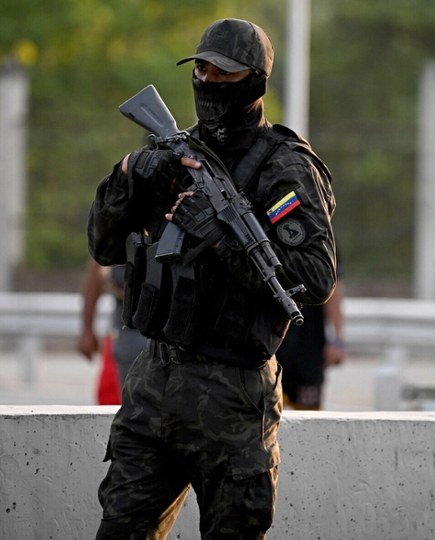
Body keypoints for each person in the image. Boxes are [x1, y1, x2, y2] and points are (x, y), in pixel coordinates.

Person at [86, 18, 336, 539]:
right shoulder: (173, 154)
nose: (209, 82)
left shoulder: (285, 168)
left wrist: (223, 239)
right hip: (155, 385)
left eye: (226, 74)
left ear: (256, 82)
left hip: (235, 397)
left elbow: (315, 279)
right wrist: (131, 174)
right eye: (202, 70)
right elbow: (104, 247)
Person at [78, 258, 148, 402]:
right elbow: (97, 266)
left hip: (180, 333)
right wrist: (87, 329)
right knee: (133, 405)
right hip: (131, 333)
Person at [276, 275, 345, 411]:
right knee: (266, 414)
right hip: (271, 346)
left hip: (308, 347)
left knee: (309, 414)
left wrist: (337, 341)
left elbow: (334, 288)